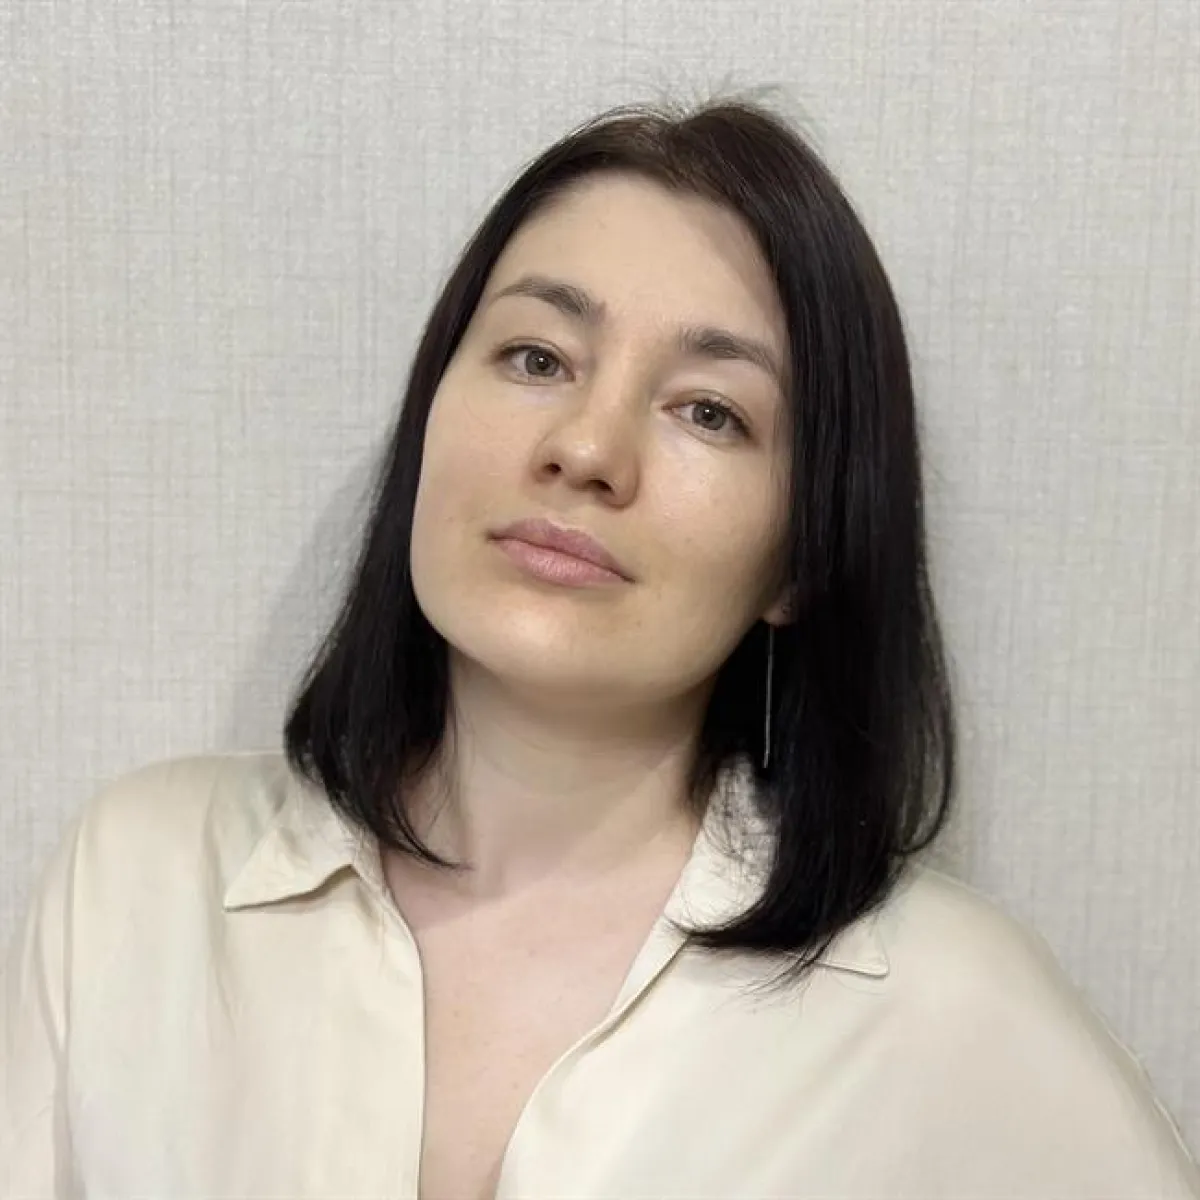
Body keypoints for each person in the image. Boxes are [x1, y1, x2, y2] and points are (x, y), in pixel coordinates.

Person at [2, 96, 1197, 1200]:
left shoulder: (955, 1018)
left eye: (709, 411)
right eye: (537, 358)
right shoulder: (138, 886)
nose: (585, 448)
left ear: (803, 555)